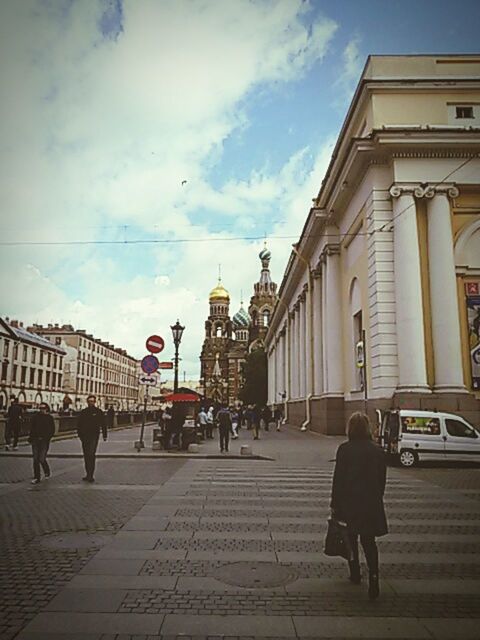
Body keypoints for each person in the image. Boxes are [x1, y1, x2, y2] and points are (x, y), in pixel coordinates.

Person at [330, 412, 388, 600]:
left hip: (349, 502)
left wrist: (335, 504)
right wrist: (376, 497)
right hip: (371, 502)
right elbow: (381, 480)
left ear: (350, 428)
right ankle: (374, 575)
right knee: (369, 541)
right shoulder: (377, 450)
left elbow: (338, 479)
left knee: (351, 538)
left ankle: (355, 573)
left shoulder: (344, 449)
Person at [77, 395, 107, 483]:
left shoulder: (98, 412)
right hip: (85, 436)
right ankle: (88, 474)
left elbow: (103, 424)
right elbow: (79, 424)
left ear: (95, 402)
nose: (91, 403)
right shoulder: (84, 412)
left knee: (91, 454)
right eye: (89, 401)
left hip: (94, 436)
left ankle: (91, 475)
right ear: (87, 402)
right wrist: (80, 435)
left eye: (92, 401)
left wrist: (105, 435)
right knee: (86, 455)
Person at [29, 402, 55, 484]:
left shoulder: (49, 418)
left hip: (44, 441)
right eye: (40, 408)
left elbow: (52, 430)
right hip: (35, 440)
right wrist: (31, 437)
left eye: (43, 408)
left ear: (47, 409)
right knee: (35, 459)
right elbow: (32, 428)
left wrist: (47, 438)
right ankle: (37, 477)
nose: (41, 410)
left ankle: (46, 470)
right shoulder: (35, 417)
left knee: (41, 458)